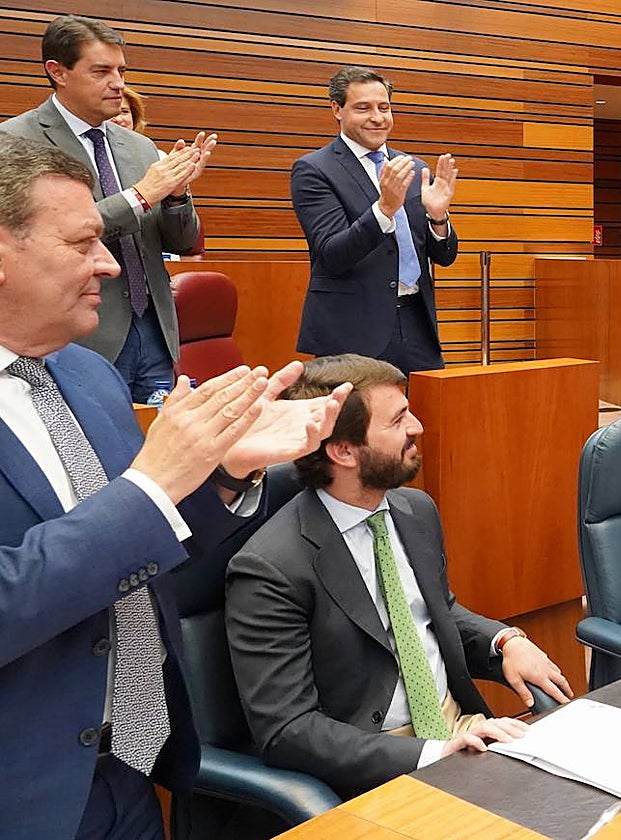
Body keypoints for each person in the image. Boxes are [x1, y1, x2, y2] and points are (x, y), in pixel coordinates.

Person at [0, 134, 349, 840]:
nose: (107, 264)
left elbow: (138, 547)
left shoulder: (92, 377)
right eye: (81, 243)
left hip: (129, 769)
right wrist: (155, 482)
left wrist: (221, 472)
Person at [225, 353, 573, 799]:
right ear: (343, 450)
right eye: (398, 420)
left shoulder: (414, 510)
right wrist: (431, 755)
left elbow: (435, 612)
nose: (418, 428)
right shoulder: (270, 568)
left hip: (461, 730)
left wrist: (504, 641)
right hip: (373, 763)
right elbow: (288, 730)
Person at [0, 15, 219, 403]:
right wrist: (141, 195)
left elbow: (182, 241)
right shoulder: (17, 141)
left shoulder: (137, 145)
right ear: (58, 72)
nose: (118, 83)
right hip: (78, 334)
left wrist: (176, 195)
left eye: (121, 70)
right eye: (101, 71)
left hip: (154, 327)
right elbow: (46, 237)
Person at [291, 66, 459, 375]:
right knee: (357, 423)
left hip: (417, 325)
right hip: (353, 330)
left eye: (384, 107)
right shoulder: (314, 170)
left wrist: (438, 217)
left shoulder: (412, 167)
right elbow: (332, 254)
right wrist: (383, 210)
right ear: (337, 109)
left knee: (426, 420)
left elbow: (444, 256)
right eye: (363, 108)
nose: (377, 117)